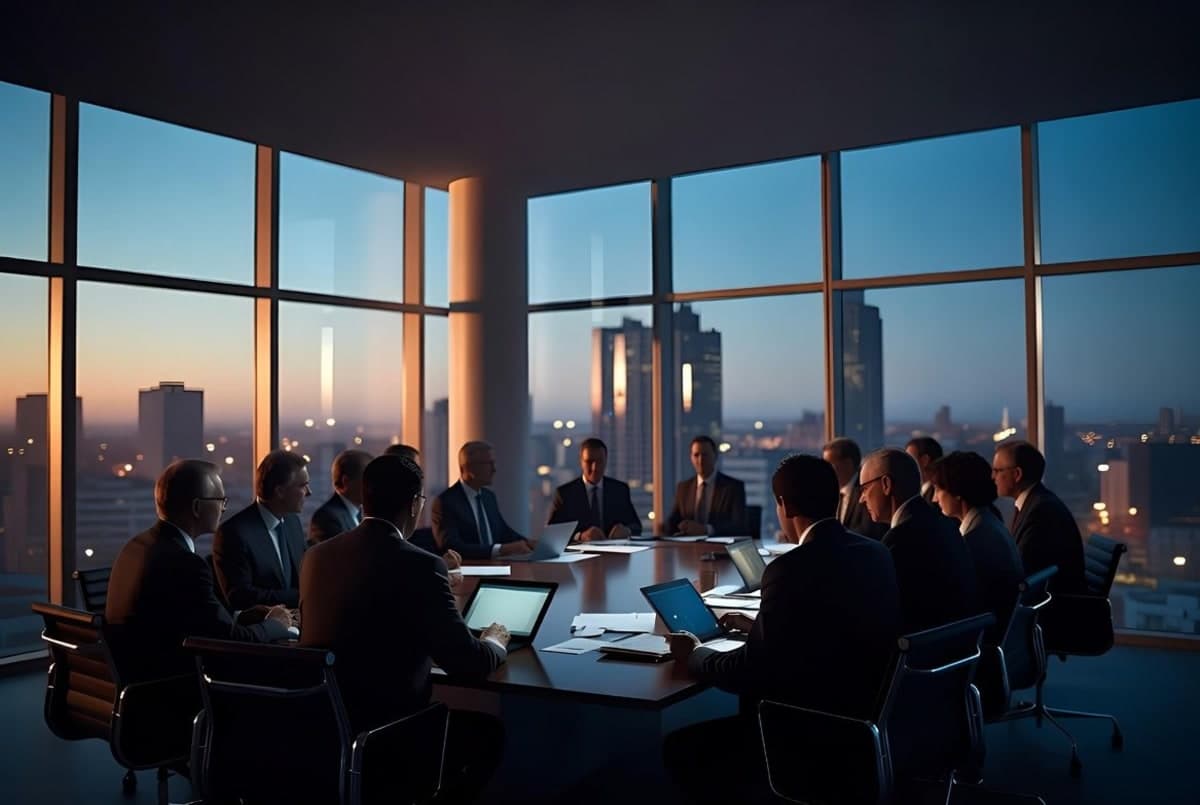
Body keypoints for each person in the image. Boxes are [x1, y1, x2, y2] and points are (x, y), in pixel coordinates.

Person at [663, 455, 901, 803]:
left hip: (806, 735)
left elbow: (751, 672)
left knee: (678, 747)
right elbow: (830, 626)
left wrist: (696, 654)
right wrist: (761, 626)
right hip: (866, 724)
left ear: (785, 506)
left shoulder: (789, 569)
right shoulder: (877, 554)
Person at [300, 454, 507, 803]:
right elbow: (467, 663)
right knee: (488, 735)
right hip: (389, 732)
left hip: (322, 728)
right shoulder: (422, 566)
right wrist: (494, 643)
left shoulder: (316, 557)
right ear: (414, 504)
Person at [106, 459, 292, 682]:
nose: (224, 508)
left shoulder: (136, 546)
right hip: (173, 686)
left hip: (138, 677)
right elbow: (229, 641)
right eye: (220, 500)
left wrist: (241, 617)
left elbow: (192, 617)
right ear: (196, 508)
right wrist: (274, 626)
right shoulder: (185, 563)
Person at [859, 448, 978, 633]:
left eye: (865, 488)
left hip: (923, 654)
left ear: (886, 484)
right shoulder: (945, 525)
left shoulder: (899, 541)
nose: (861, 499)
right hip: (956, 650)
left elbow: (881, 615)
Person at [931, 451, 1025, 642]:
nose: (934, 498)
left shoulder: (976, 539)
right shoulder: (989, 522)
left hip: (982, 641)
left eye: (938, 490)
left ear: (957, 492)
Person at [213, 450, 310, 610]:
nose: (309, 492)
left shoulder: (293, 522)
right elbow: (240, 596)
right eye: (303, 486)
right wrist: (302, 596)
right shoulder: (234, 533)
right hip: (262, 629)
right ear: (279, 491)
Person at [992, 440, 1086, 594]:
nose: (992, 477)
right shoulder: (1037, 503)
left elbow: (1021, 569)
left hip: (1052, 609)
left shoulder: (1040, 512)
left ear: (1017, 474)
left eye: (997, 470)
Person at [432, 441, 532, 559]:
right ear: (469, 467)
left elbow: (504, 532)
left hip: (496, 567)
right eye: (488, 464)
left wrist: (530, 543)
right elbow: (451, 547)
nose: (494, 469)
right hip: (469, 572)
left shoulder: (488, 497)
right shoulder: (446, 502)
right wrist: (500, 550)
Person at [547, 437, 642, 541]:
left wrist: (626, 530)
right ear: (581, 461)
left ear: (606, 460)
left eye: (600, 461)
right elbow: (552, 534)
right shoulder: (565, 494)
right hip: (580, 555)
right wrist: (581, 536)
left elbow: (636, 526)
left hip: (614, 555)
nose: (595, 467)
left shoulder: (619, 490)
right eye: (589, 461)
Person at [665, 435, 747, 536]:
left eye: (705, 455)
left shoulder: (733, 488)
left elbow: (739, 526)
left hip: (719, 547)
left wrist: (706, 530)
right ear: (691, 458)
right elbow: (673, 522)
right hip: (688, 547)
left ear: (715, 456)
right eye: (696, 455)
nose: (700, 460)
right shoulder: (683, 488)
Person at [822, 436, 887, 540]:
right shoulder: (832, 493)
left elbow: (869, 531)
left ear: (848, 464)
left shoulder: (867, 489)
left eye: (829, 465)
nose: (825, 471)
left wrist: (832, 538)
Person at [307, 449, 371, 546]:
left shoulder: (361, 514)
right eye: (367, 480)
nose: (373, 486)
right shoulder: (326, 518)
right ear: (346, 481)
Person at [906, 436, 944, 506]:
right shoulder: (919, 492)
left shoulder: (937, 495)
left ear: (925, 460)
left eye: (910, 459)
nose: (906, 464)